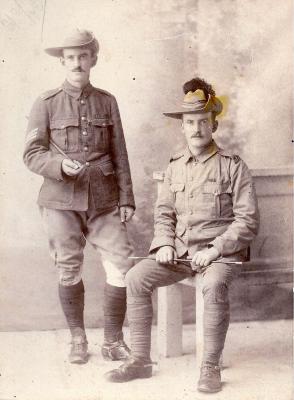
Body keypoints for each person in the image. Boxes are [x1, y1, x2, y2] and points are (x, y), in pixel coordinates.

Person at [105, 77, 259, 393]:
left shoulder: (233, 166)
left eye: (203, 121)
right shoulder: (175, 166)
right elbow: (164, 213)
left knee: (214, 284)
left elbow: (247, 221)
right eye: (190, 122)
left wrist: (215, 250)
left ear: (214, 125)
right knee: (135, 277)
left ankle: (209, 368)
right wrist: (163, 243)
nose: (197, 129)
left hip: (221, 256)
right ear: (183, 127)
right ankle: (140, 360)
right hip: (181, 254)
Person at [23, 29, 135, 364]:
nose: (77, 63)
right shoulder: (45, 103)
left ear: (93, 60)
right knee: (68, 268)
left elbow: (120, 153)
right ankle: (77, 338)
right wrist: (59, 165)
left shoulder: (107, 101)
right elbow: (31, 154)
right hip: (60, 201)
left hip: (103, 199)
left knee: (121, 264)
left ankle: (113, 340)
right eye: (70, 57)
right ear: (62, 61)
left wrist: (127, 198)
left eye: (83, 56)